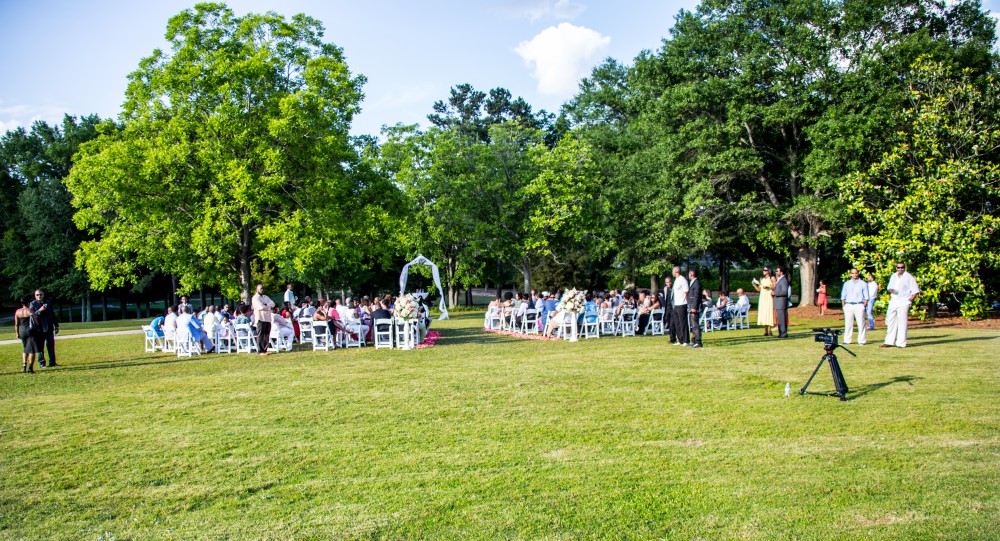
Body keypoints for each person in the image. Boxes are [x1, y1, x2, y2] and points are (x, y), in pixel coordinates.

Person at [882, 263, 920, 348]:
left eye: (902, 267)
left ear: (904, 268)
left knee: (902, 323)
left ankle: (901, 343)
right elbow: (889, 287)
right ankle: (888, 341)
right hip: (893, 301)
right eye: (898, 267)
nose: (900, 269)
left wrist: (910, 299)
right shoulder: (893, 276)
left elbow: (915, 290)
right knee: (890, 321)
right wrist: (893, 291)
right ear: (896, 268)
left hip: (904, 302)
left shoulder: (909, 277)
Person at [839, 267, 870, 346]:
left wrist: (863, 306)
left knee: (861, 323)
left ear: (858, 274)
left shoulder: (863, 284)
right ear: (850, 274)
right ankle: (847, 340)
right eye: (853, 273)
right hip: (848, 305)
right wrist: (844, 306)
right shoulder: (847, 284)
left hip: (859, 304)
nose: (854, 275)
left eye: (856, 273)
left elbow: (866, 297)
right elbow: (843, 296)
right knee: (848, 323)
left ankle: (861, 340)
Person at [29, 290, 59, 367]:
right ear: (35, 296)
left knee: (51, 346)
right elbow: (32, 315)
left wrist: (56, 325)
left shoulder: (48, 303)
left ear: (43, 295)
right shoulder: (32, 304)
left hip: (49, 327)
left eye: (41, 294)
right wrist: (40, 310)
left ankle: (52, 362)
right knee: (40, 347)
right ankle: (42, 363)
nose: (39, 296)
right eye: (37, 295)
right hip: (39, 329)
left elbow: (52, 314)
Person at [15, 297, 40, 373]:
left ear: (21, 303)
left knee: (25, 348)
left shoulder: (18, 311)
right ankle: (30, 368)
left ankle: (24, 366)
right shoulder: (30, 310)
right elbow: (36, 322)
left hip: (22, 330)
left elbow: (16, 324)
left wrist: (17, 333)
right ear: (28, 303)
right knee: (32, 350)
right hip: (30, 330)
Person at [251, 284, 275, 355]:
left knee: (267, 334)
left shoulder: (266, 297)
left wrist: (266, 305)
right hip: (260, 318)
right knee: (261, 334)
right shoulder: (255, 298)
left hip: (267, 318)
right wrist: (268, 306)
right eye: (261, 288)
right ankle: (260, 351)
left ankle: (265, 350)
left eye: (263, 288)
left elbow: (273, 304)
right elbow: (260, 307)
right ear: (257, 289)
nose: (262, 290)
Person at [753, 267, 775, 336]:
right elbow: (759, 289)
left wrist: (769, 287)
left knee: (769, 312)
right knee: (764, 313)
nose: (764, 271)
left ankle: (770, 330)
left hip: (768, 297)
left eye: (765, 270)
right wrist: (754, 285)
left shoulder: (772, 278)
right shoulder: (762, 279)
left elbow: (775, 286)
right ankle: (765, 330)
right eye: (763, 270)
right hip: (762, 297)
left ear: (768, 271)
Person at [671, 267, 690, 346]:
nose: (672, 272)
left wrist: (687, 303)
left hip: (682, 304)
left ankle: (686, 340)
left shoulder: (682, 280)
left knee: (683, 322)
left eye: (673, 271)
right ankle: (680, 339)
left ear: (676, 271)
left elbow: (686, 292)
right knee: (677, 323)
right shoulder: (676, 280)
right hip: (676, 304)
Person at [686, 269, 702, 348]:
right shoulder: (693, 283)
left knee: (695, 324)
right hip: (691, 306)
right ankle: (694, 340)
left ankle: (698, 341)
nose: (688, 275)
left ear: (691, 274)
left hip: (694, 307)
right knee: (692, 324)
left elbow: (696, 296)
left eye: (689, 274)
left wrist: (694, 307)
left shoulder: (696, 283)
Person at [773, 266, 790, 338]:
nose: (776, 272)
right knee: (780, 319)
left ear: (781, 272)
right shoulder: (780, 279)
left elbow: (784, 292)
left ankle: (783, 333)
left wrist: (775, 293)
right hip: (779, 303)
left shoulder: (783, 280)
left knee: (782, 318)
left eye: (777, 271)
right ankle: (781, 333)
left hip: (781, 303)